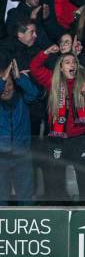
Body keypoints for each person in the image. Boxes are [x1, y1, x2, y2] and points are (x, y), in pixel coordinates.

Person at [29, 44, 85, 203]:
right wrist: (46, 51)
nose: (72, 65)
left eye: (74, 62)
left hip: (80, 138)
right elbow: (34, 68)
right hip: (58, 138)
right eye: (68, 62)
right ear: (61, 67)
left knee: (83, 176)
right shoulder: (52, 80)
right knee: (55, 178)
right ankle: (59, 211)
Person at [0, 59, 39, 205]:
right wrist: (3, 80)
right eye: (4, 85)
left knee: (25, 198)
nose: (7, 88)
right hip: (1, 158)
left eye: (10, 84)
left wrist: (19, 78)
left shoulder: (22, 99)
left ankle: (27, 225)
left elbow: (34, 93)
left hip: (22, 155)